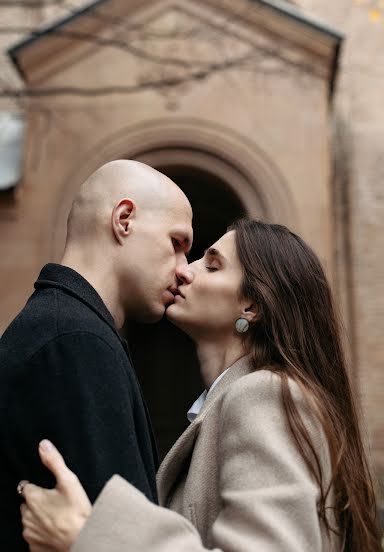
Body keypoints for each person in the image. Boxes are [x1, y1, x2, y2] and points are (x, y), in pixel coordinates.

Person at [20, 219, 380, 552]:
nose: (183, 270)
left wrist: (91, 536)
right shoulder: (231, 400)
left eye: (211, 265)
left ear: (251, 305)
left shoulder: (263, 394)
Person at [0, 159, 193, 551]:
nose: (185, 270)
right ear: (124, 220)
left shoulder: (64, 328)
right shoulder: (75, 340)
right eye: (177, 244)